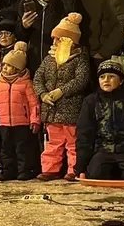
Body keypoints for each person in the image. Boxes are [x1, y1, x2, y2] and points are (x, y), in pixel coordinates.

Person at [34, 13, 90, 181]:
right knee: (53, 143)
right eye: (55, 39)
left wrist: (62, 91)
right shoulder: (49, 59)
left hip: (70, 108)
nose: (56, 42)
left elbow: (81, 79)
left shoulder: (79, 58)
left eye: (60, 39)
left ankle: (73, 169)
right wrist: (43, 94)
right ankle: (50, 169)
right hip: (52, 110)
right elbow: (38, 78)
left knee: (73, 142)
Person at [0, 42, 41, 181]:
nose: (5, 68)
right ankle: (8, 170)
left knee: (22, 149)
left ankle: (24, 170)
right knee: (6, 149)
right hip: (4, 123)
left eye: (9, 66)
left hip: (22, 123)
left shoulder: (26, 83)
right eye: (4, 65)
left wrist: (35, 120)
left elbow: (34, 104)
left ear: (17, 68)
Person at [17, 0, 82, 74]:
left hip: (59, 59)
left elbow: (74, 15)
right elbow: (20, 35)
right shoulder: (28, 1)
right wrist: (23, 26)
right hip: (34, 61)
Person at [75, 60, 124, 180]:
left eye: (111, 76)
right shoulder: (91, 101)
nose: (106, 80)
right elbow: (84, 135)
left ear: (120, 80)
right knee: (96, 174)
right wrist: (80, 168)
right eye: (102, 77)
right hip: (103, 151)